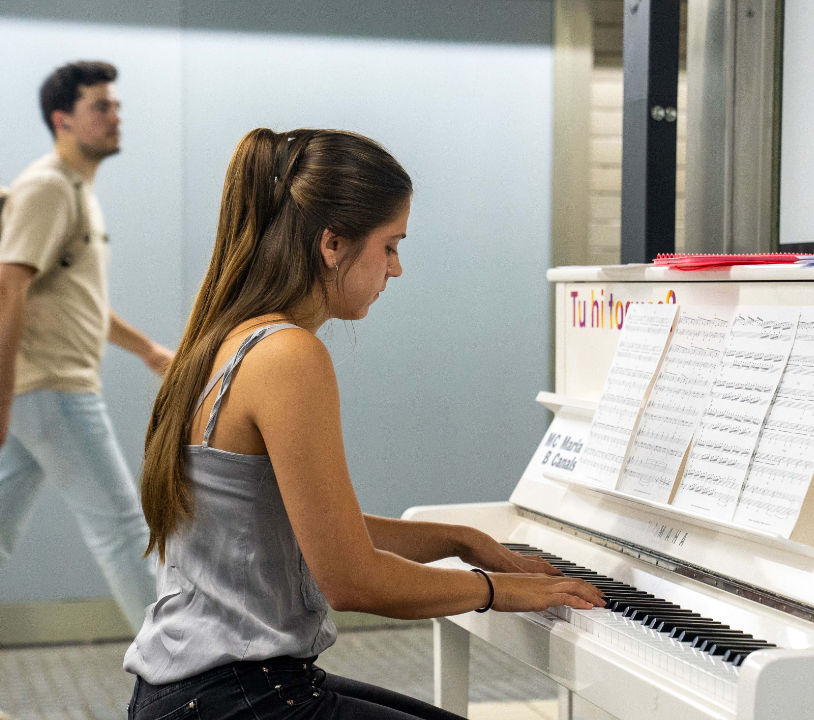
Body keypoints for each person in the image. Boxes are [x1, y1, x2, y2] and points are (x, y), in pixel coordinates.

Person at [122, 128, 604, 719]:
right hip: (237, 699)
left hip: (199, 691)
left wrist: (462, 540)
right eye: (390, 245)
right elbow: (353, 580)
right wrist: (496, 589)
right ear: (332, 244)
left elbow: (313, 530)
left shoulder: (226, 341)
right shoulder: (288, 354)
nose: (396, 269)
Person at [0, 61, 171, 720]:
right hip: (51, 391)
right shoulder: (47, 188)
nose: (115, 115)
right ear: (62, 119)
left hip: (38, 390)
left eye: (117, 105)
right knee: (125, 535)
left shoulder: (75, 188)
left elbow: (76, 300)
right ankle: (188, 684)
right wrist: (4, 398)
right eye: (101, 106)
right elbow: (5, 286)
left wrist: (148, 348)